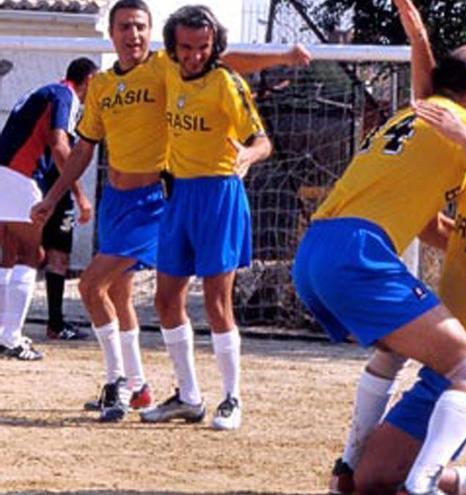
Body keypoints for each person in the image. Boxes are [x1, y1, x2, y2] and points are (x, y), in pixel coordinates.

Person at [294, 8, 466, 491]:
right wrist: (419, 37)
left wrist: (464, 132)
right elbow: (432, 117)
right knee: (372, 480)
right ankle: (448, 480)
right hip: (447, 356)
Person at [32, 0, 310, 423]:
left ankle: (120, 383)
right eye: (125, 27)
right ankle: (143, 387)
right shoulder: (104, 85)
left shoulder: (166, 66)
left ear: (151, 31)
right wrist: (53, 197)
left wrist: (284, 56)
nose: (133, 35)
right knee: (128, 296)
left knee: (93, 287)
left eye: (140, 26)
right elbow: (84, 147)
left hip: (159, 201)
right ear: (111, 34)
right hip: (118, 202)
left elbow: (224, 60)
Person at [136, 5, 273, 431]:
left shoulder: (225, 84)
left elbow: (262, 140)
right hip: (179, 193)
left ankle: (232, 399)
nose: (194, 56)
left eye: (203, 48)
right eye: (187, 48)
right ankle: (189, 397)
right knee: (165, 298)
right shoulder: (166, 68)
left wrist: (248, 155)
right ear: (174, 47)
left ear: (215, 46)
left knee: (217, 300)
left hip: (219, 193)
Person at [0, 57, 96, 361]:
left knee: (9, 254)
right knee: (33, 254)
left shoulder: (44, 91)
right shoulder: (64, 95)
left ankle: (4, 332)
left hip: (5, 172)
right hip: (19, 175)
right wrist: (80, 195)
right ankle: (11, 338)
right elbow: (59, 144)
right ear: (89, 80)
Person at [35, 145, 93, 341]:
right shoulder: (60, 115)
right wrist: (81, 197)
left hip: (55, 193)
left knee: (57, 257)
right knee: (26, 255)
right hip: (47, 188)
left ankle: (56, 323)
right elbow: (60, 149)